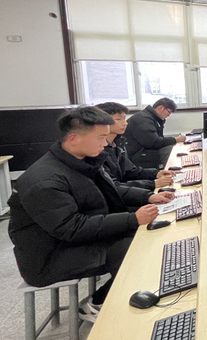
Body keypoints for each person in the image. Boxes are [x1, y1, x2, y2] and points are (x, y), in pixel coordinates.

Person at [8, 107, 160, 321]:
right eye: (100, 137)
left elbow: (112, 190)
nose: (105, 143)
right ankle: (98, 303)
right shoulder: (44, 180)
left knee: (144, 236)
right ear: (73, 138)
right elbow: (72, 228)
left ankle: (134, 293)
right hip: (48, 258)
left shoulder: (83, 161)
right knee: (128, 248)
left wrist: (148, 197)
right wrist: (132, 219)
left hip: (73, 241)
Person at [95, 102, 176, 197]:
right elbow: (113, 187)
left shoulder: (117, 143)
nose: (125, 123)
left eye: (124, 118)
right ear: (102, 122)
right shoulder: (98, 150)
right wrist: (152, 185)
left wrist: (156, 174)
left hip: (126, 194)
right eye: (118, 119)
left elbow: (130, 171)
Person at [125, 97, 186, 169]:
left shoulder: (151, 117)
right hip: (136, 154)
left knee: (170, 147)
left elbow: (156, 139)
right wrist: (175, 140)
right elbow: (153, 142)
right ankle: (172, 172)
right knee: (169, 149)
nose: (169, 115)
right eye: (169, 112)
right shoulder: (144, 120)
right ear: (161, 108)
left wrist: (173, 140)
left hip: (142, 150)